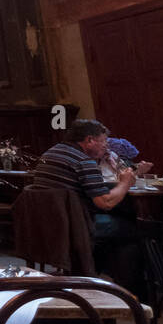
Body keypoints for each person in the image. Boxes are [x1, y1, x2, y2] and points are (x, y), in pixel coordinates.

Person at [30, 119, 139, 289]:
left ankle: (92, 275)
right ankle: (129, 290)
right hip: (74, 226)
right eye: (103, 142)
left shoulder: (50, 153)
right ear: (89, 140)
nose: (106, 147)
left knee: (113, 231)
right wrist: (125, 183)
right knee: (132, 229)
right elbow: (106, 203)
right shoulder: (83, 161)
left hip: (47, 222)